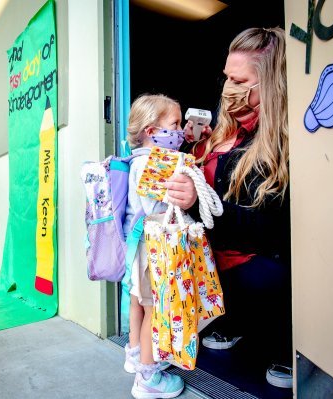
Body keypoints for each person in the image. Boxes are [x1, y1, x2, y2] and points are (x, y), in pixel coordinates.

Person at [167, 27, 293, 388]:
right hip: (211, 261)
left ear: (270, 83)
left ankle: (282, 343)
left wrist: (198, 200)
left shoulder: (281, 142)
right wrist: (191, 149)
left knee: (268, 275)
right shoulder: (224, 132)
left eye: (239, 80)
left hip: (252, 263)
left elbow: (268, 229)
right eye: (226, 77)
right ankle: (232, 320)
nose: (228, 88)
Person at [123, 94, 186, 399]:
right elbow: (157, 207)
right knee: (154, 309)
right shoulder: (155, 162)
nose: (181, 131)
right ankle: (147, 379)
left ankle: (136, 354)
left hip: (136, 248)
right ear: (152, 131)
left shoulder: (135, 159)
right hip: (152, 249)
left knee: (138, 302)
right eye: (175, 124)